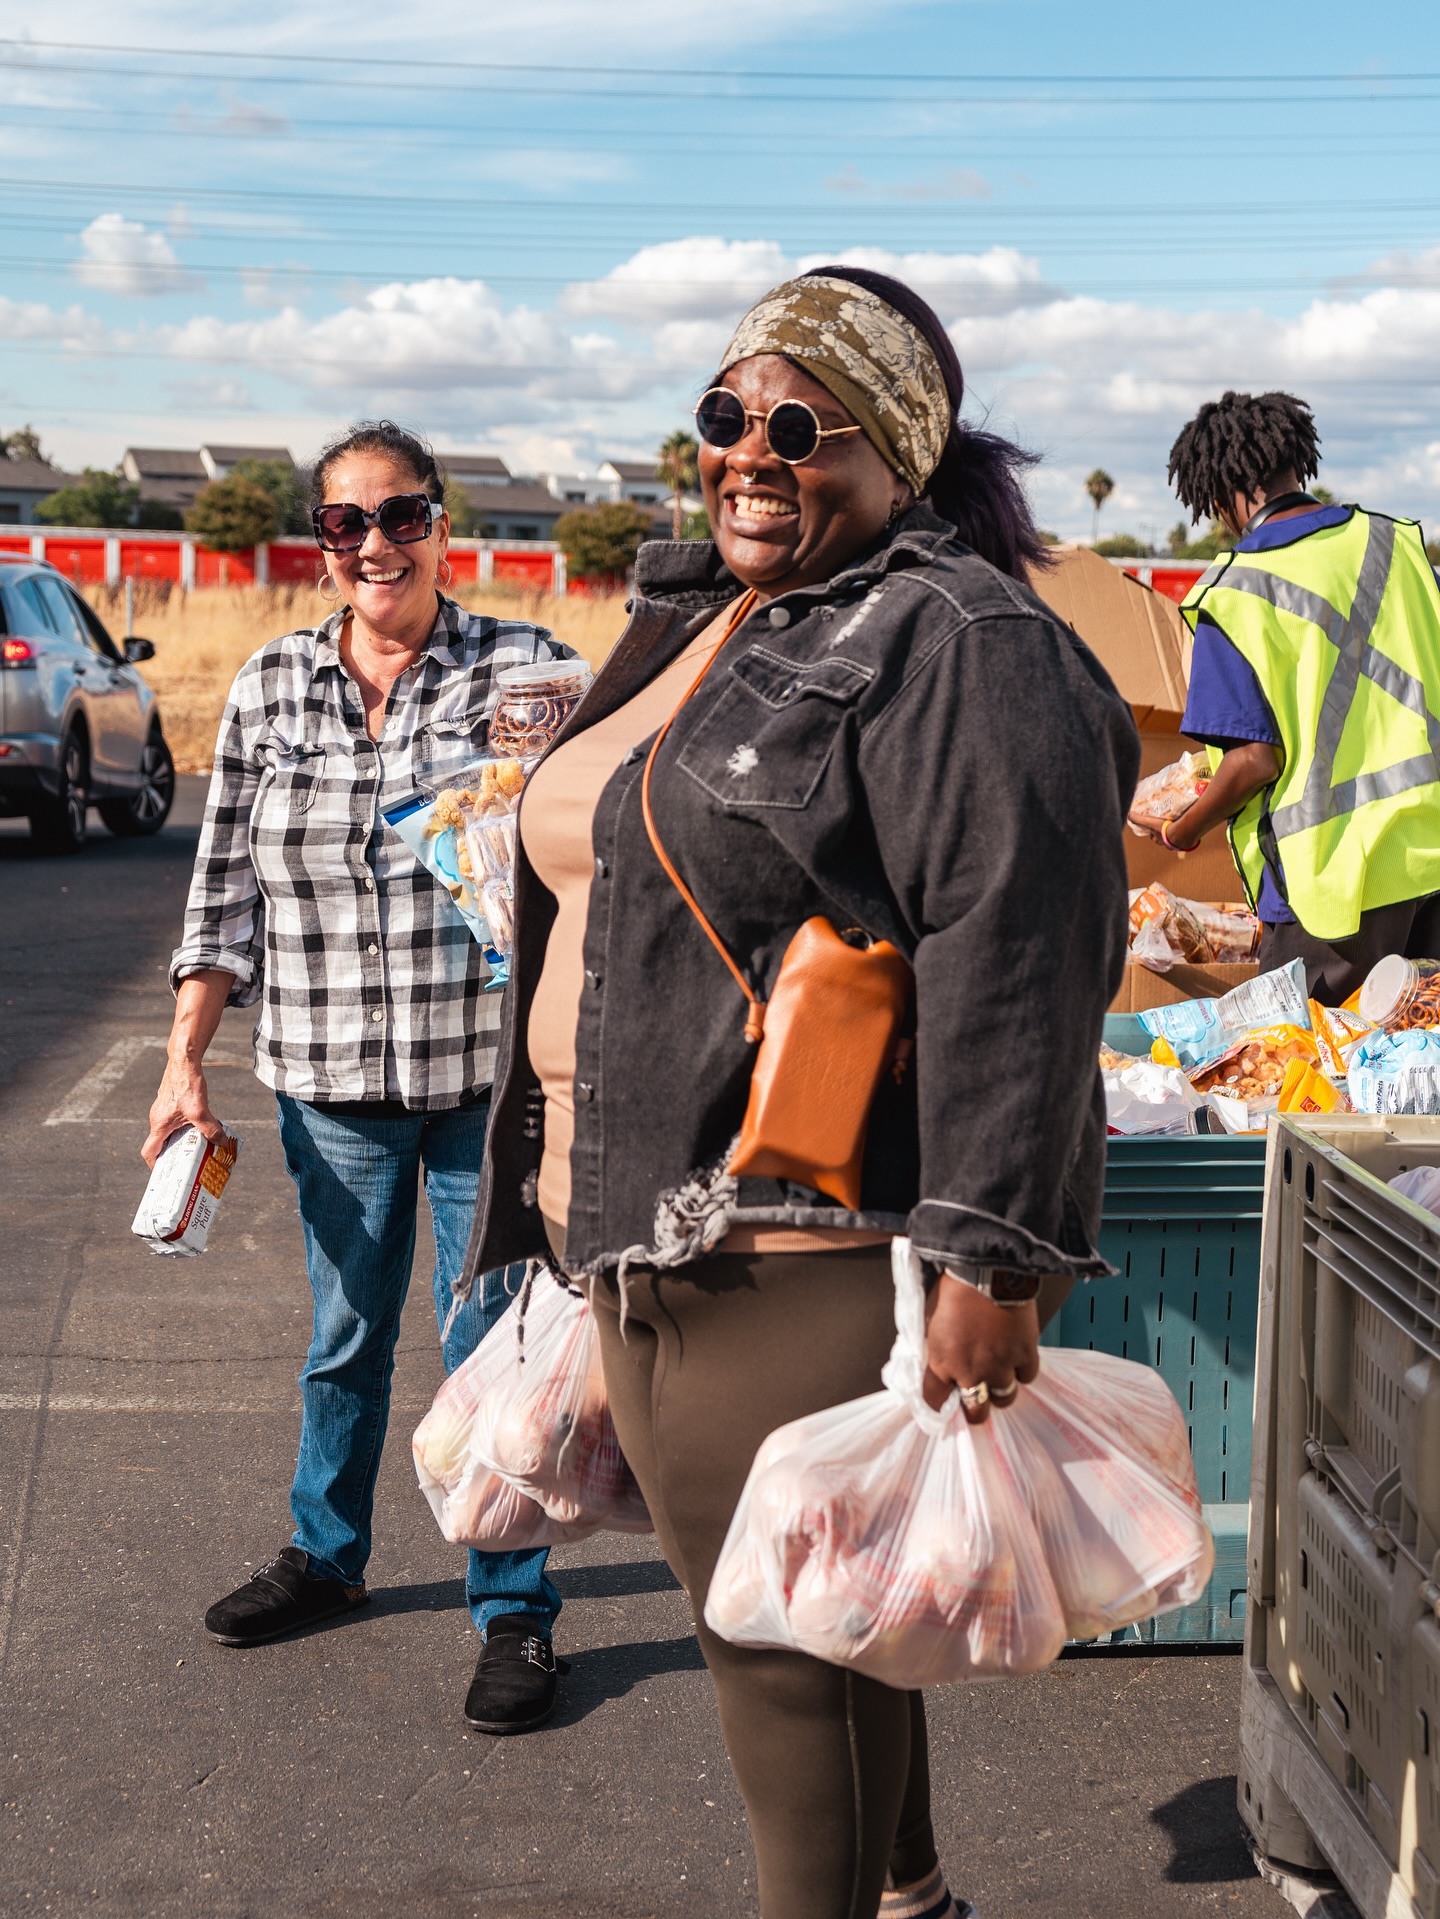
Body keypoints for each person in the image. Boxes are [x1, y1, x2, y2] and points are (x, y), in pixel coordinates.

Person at [456, 270, 1139, 1917]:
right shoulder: (702, 614)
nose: (747, 455)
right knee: (841, 1622)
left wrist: (992, 1259)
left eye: (796, 425)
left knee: (772, 1649)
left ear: (896, 448)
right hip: (629, 1211)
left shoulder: (964, 641)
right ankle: (913, 1896)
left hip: (786, 1244)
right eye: (722, 419)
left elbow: (1025, 950)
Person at [146, 420, 575, 1735]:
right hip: (325, 1079)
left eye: (402, 516)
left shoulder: (527, 668)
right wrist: (183, 1059)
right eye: (348, 523)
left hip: (482, 1081)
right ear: (319, 541)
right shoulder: (270, 686)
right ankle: (326, 1553)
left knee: (490, 1347)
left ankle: (512, 1608)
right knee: (343, 1337)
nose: (377, 543)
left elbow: (595, 848)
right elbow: (222, 889)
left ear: (443, 525)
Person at [1129, 389, 1440, 1002]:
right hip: (1430, 853)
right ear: (1296, 464)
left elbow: (1253, 760)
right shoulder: (1396, 545)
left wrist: (1183, 830)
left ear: (1223, 497)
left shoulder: (1232, 592)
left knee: (1310, 1080)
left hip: (1333, 891)